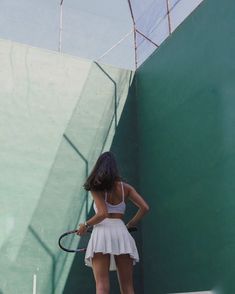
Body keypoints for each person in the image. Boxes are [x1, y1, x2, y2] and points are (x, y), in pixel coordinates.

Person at [76, 151, 149, 294]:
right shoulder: (126, 188)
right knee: (128, 287)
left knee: (102, 286)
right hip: (121, 232)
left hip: (102, 233)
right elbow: (145, 208)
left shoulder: (95, 186)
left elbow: (102, 213)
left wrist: (85, 225)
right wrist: (130, 225)